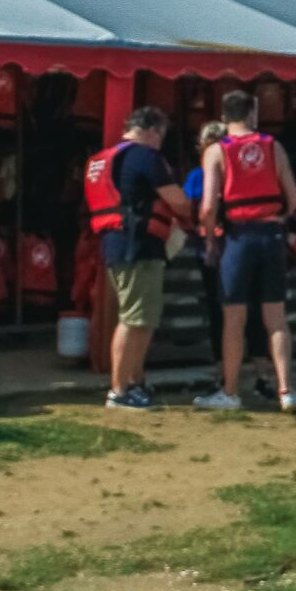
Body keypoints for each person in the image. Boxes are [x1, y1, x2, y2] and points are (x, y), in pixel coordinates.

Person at [199, 89, 296, 413]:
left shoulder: (217, 151)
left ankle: (230, 392)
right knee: (275, 317)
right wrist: (278, 220)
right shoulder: (274, 147)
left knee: (234, 317)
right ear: (251, 115)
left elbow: (207, 206)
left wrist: (209, 239)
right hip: (271, 234)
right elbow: (294, 200)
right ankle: (286, 390)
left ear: (223, 117)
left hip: (238, 238)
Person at [83, 106, 191, 411]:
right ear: (152, 130)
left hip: (114, 244)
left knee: (135, 316)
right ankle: (120, 390)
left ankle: (135, 381)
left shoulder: (101, 160)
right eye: (162, 136)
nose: (161, 143)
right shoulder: (145, 156)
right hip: (138, 246)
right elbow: (179, 202)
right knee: (136, 320)